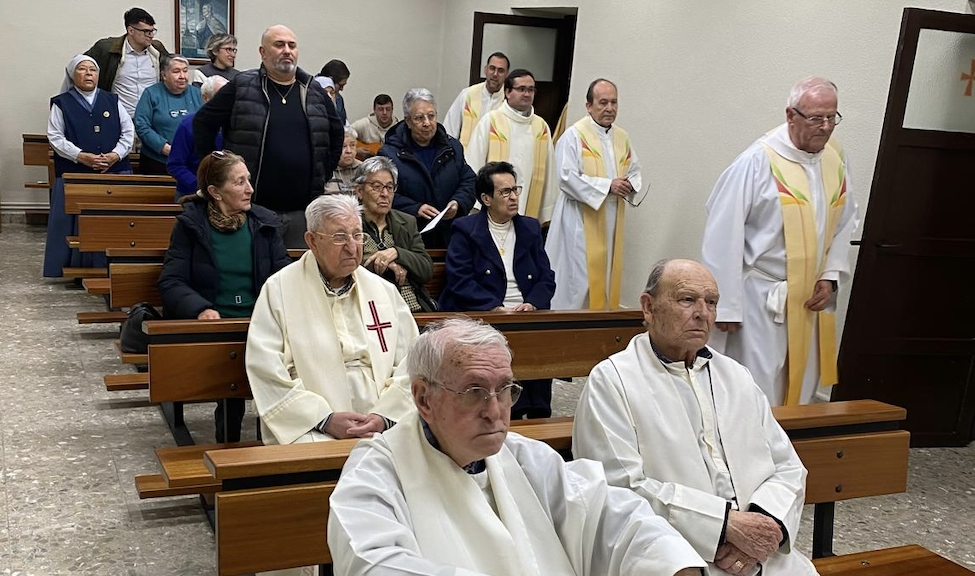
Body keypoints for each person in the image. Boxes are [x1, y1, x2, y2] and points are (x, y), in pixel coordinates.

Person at [327, 316, 707, 576]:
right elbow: (371, 563)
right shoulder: (377, 472)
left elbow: (608, 514)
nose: (495, 412)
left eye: (505, 390)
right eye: (475, 392)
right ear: (424, 399)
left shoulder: (527, 457)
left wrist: (670, 561)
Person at [572, 259, 817, 576]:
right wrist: (723, 526)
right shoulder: (613, 381)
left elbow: (788, 467)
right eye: (687, 300)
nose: (703, 313)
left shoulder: (736, 376)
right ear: (648, 307)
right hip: (670, 554)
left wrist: (765, 526)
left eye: (711, 302)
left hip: (762, 553)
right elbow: (616, 489)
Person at [701, 77, 859, 406]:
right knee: (759, 384)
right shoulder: (758, 162)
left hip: (808, 298)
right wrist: (726, 304)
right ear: (791, 115)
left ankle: (789, 449)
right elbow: (722, 232)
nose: (826, 127)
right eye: (816, 118)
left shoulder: (834, 159)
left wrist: (829, 277)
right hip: (762, 298)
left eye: (832, 117)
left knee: (802, 382)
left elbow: (844, 221)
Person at [244, 193, 418, 445]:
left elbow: (412, 361)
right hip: (313, 424)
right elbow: (266, 367)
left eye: (357, 235)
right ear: (312, 241)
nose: (352, 246)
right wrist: (324, 419)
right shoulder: (279, 289)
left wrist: (385, 416)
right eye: (339, 237)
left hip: (384, 418)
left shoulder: (383, 291)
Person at [157, 150, 290, 443]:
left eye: (249, 180)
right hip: (215, 327)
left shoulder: (264, 224)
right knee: (230, 374)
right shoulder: (191, 226)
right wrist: (201, 310)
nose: (250, 189)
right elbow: (172, 281)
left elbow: (284, 278)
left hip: (261, 323)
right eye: (240, 182)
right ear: (215, 192)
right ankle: (228, 445)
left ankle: (271, 445)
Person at [193, 25, 343, 249]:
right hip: (250, 209)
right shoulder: (242, 86)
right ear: (262, 52)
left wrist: (322, 174)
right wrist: (218, 171)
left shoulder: (314, 91)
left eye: (292, 45)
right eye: (279, 44)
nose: (287, 50)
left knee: (294, 277)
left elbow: (336, 134)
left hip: (301, 212)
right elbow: (203, 123)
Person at [439, 161, 556, 419]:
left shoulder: (530, 228)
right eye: (505, 192)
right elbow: (460, 280)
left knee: (545, 339)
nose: (513, 197)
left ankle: (538, 416)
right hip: (484, 314)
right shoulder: (466, 229)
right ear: (486, 198)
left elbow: (546, 277)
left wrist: (533, 304)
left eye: (516, 190)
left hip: (526, 312)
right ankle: (503, 414)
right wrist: (494, 307)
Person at [545, 78, 642, 310]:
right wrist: (608, 186)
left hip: (610, 220)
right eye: (603, 102)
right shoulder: (574, 135)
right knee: (578, 278)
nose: (610, 108)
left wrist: (630, 184)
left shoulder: (622, 137)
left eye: (614, 102)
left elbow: (634, 169)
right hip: (578, 220)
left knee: (605, 277)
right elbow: (566, 177)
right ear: (589, 106)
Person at [43, 55, 134, 278]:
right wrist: (81, 156)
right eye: (82, 69)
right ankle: (74, 270)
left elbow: (128, 132)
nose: (88, 74)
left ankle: (114, 267)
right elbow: (55, 137)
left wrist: (115, 155)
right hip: (76, 172)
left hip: (114, 171)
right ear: (73, 75)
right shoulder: (62, 102)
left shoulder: (112, 100)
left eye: (92, 70)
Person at [380, 88, 476, 248]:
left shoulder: (452, 147)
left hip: (449, 234)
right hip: (409, 237)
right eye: (419, 118)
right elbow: (382, 194)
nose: (427, 123)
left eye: (431, 116)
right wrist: (415, 208)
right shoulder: (389, 153)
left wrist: (457, 202)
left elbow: (469, 181)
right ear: (408, 121)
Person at [465, 69, 558, 222]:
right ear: (507, 92)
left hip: (529, 205)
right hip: (492, 208)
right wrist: (476, 202)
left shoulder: (541, 127)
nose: (527, 94)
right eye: (521, 89)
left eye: (531, 90)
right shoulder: (491, 121)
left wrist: (547, 210)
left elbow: (550, 174)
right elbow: (473, 164)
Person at [355, 156, 436, 313]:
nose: (385, 194)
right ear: (359, 190)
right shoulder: (350, 223)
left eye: (390, 187)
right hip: (372, 310)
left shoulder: (407, 221)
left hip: (414, 309)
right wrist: (384, 264)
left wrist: (397, 253)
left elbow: (426, 269)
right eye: (377, 187)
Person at [85, 7, 170, 120]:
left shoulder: (158, 50)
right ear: (131, 30)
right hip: (118, 117)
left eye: (152, 31)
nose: (151, 35)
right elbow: (80, 66)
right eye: (146, 31)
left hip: (152, 119)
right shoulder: (107, 48)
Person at [133, 54, 203, 175]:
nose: (182, 76)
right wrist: (164, 148)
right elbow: (142, 126)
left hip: (191, 161)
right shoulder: (151, 93)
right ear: (164, 75)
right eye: (176, 71)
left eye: (185, 71)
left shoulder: (197, 94)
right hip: (157, 161)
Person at [167, 76, 226, 197]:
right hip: (192, 194)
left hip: (225, 194)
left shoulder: (234, 123)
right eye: (221, 96)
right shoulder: (188, 124)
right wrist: (200, 186)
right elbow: (175, 165)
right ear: (206, 98)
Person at [443, 52, 509, 148]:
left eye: (501, 70)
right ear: (485, 70)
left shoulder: (508, 101)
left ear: (506, 74)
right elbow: (449, 131)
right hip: (464, 159)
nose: (495, 74)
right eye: (492, 68)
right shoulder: (467, 95)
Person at [350, 93, 397, 160]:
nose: (384, 113)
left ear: (392, 110)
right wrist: (355, 150)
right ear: (374, 110)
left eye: (388, 109)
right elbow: (343, 135)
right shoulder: (364, 124)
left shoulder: (398, 128)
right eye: (380, 109)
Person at [325, 126, 361, 194]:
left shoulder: (363, 169)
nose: (349, 151)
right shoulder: (325, 170)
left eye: (352, 145)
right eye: (343, 146)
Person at [318, 59, 350, 124]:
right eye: (341, 85)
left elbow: (343, 121)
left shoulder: (339, 99)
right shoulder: (308, 94)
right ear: (330, 80)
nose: (342, 89)